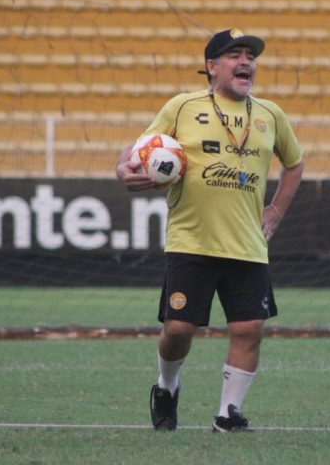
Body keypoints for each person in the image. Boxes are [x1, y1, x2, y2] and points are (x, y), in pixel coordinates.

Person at [115, 28, 304, 432]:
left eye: (250, 56)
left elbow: (295, 163)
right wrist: (122, 170)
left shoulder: (271, 114)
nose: (246, 62)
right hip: (192, 240)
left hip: (248, 245)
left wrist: (276, 211)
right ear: (212, 66)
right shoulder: (183, 107)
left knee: (249, 328)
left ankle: (227, 414)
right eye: (234, 54)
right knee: (179, 328)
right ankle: (167, 387)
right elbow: (137, 150)